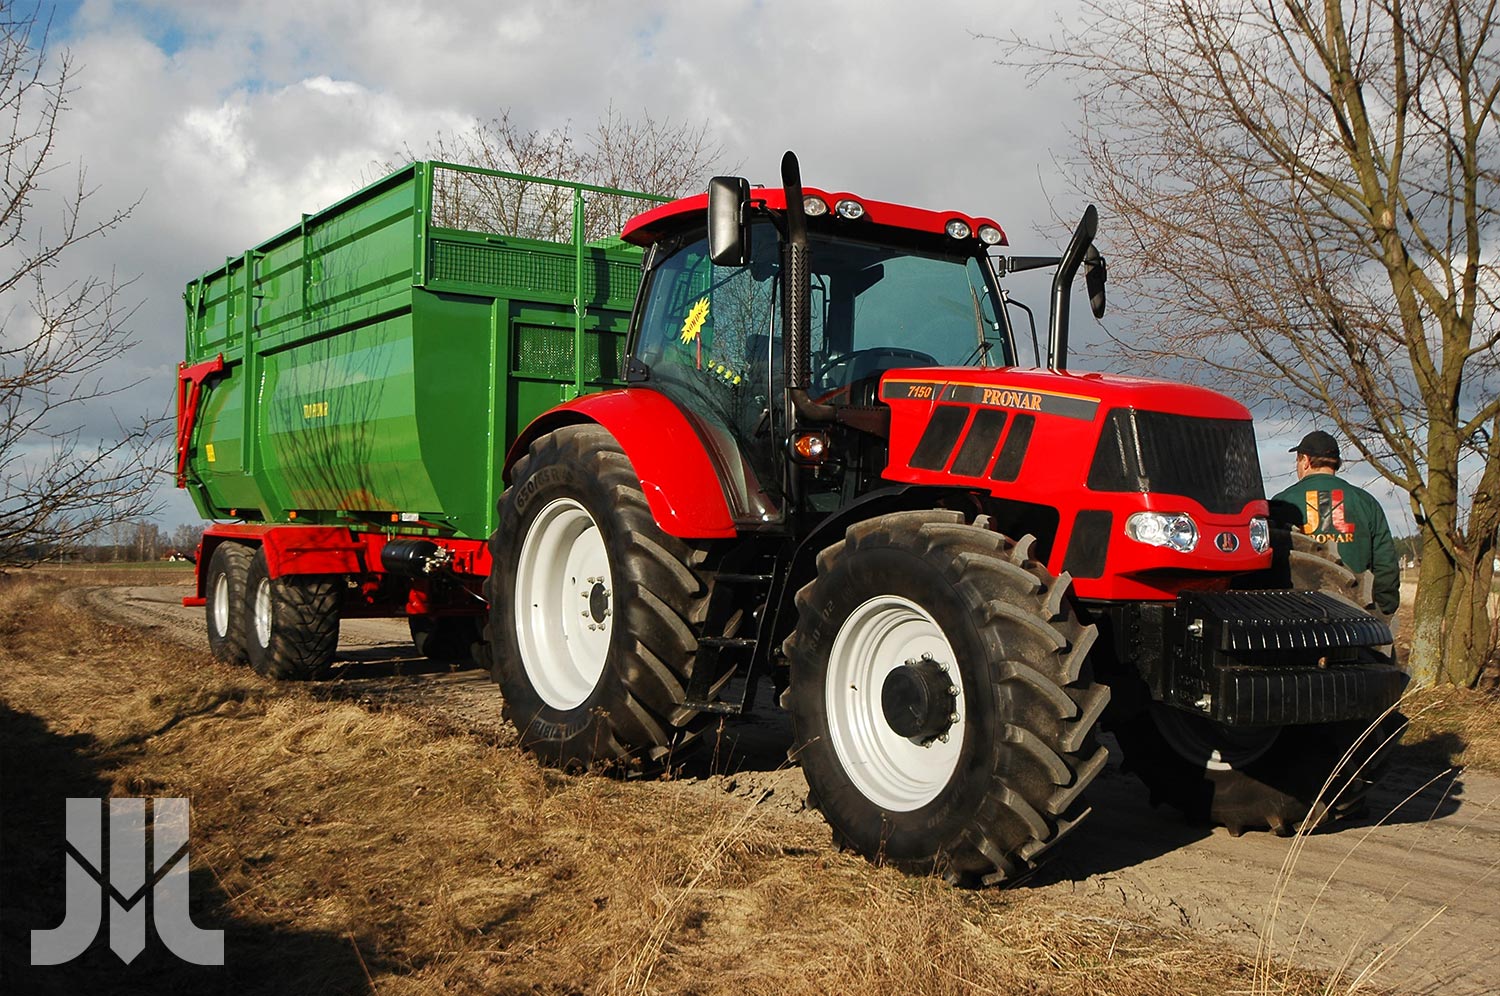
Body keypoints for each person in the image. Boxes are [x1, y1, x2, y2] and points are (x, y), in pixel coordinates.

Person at [1271, 430, 1400, 615]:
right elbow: (1386, 565)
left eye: (1298, 460)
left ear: (1305, 460)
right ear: (1337, 463)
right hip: (1354, 616)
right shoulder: (1366, 502)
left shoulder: (1280, 503)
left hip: (1294, 614)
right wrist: (1382, 610)